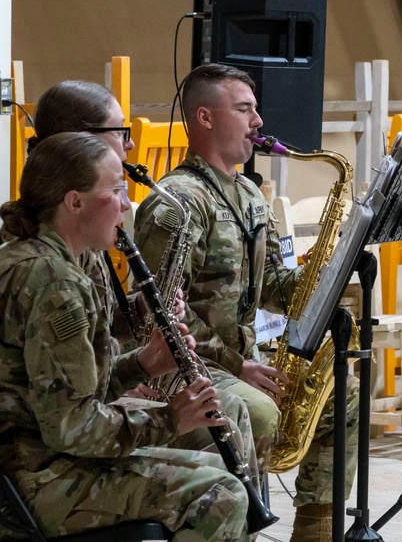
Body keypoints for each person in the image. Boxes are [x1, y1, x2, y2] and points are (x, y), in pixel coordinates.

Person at [0, 133, 249, 540]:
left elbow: (63, 392)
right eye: (117, 190)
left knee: (217, 469)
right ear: (75, 201)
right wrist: (170, 418)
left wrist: (142, 363)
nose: (126, 204)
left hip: (26, 458)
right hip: (25, 478)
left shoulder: (24, 253)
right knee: (222, 493)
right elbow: (72, 428)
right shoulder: (54, 284)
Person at [133, 63, 359, 542]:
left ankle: (316, 532)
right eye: (244, 109)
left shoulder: (250, 193)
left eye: (255, 109)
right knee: (255, 412)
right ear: (205, 118)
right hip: (189, 367)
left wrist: (332, 265)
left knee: (347, 392)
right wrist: (239, 365)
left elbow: (274, 285)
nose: (259, 121)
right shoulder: (177, 201)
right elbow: (156, 311)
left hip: (242, 362)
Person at [0, 79, 258, 466]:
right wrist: (160, 409)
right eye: (122, 131)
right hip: (38, 450)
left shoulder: (75, 231)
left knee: (227, 418)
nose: (130, 144)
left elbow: (88, 332)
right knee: (219, 474)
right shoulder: (43, 261)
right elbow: (66, 412)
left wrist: (143, 317)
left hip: (71, 418)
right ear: (84, 140)